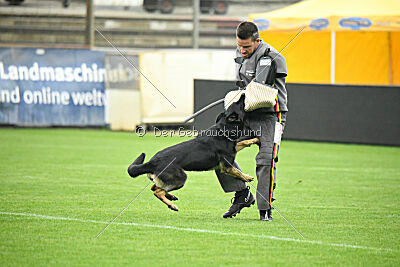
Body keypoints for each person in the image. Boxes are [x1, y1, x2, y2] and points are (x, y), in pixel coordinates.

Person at [215, 21, 288, 221]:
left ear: (257, 41)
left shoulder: (271, 57)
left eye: (246, 46)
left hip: (271, 116)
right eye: (239, 45)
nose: (242, 50)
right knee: (217, 150)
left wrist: (237, 96)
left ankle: (265, 210)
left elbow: (258, 87)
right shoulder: (240, 55)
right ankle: (241, 193)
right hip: (246, 115)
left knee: (265, 160)